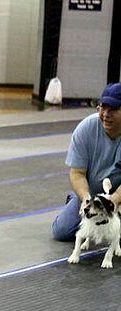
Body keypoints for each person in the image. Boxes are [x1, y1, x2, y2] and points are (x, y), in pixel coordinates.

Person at [52, 83, 121, 241]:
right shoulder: (85, 129)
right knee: (62, 231)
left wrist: (115, 200)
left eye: (113, 110)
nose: (106, 114)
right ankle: (75, 198)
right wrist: (85, 198)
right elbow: (77, 173)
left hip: (119, 194)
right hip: (93, 194)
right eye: (102, 108)